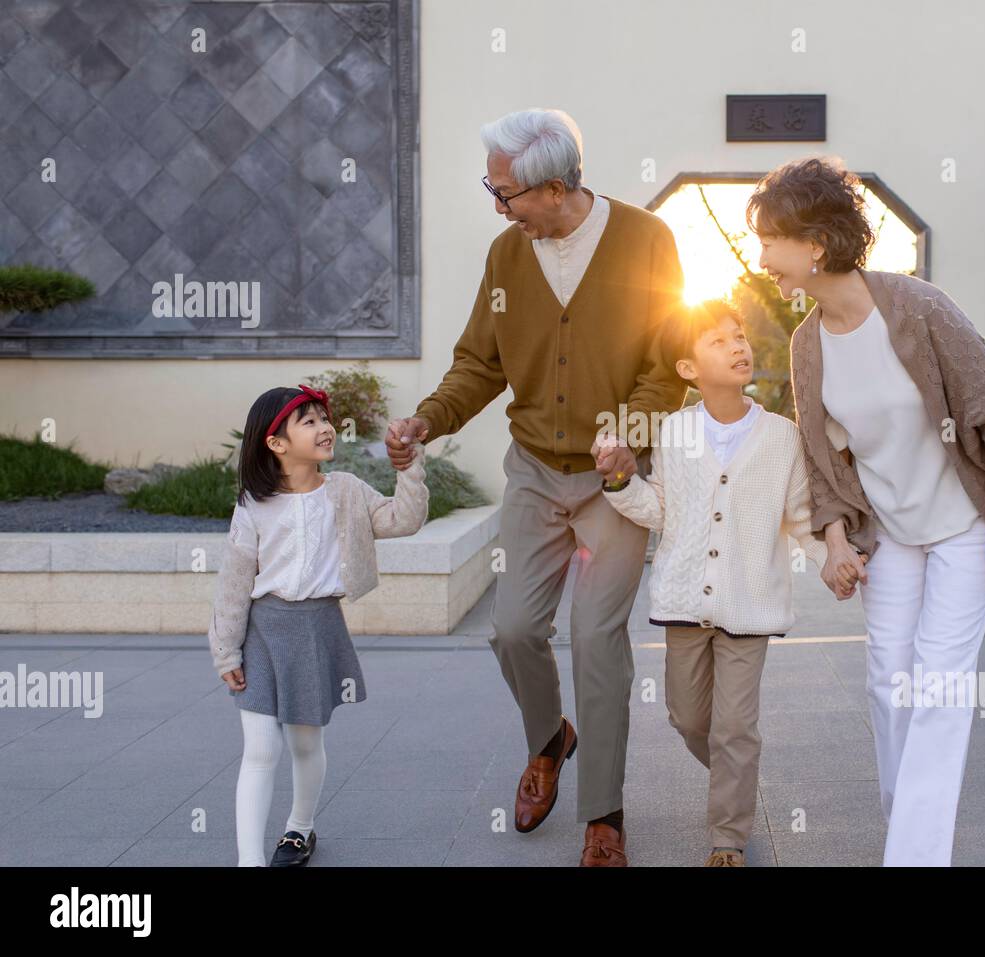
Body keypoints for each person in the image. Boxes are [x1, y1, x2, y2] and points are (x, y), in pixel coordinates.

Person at [383, 108, 687, 866]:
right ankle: (550, 737)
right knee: (513, 628)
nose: (498, 206)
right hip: (533, 470)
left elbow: (669, 362)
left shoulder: (648, 240)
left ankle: (604, 813)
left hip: (613, 480)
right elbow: (480, 362)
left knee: (596, 637)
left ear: (555, 187)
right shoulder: (507, 256)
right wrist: (428, 419)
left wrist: (630, 433)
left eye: (506, 192)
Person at [754, 157, 985, 866]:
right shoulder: (807, 343)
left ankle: (914, 857)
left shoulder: (918, 309)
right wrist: (833, 539)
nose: (762, 260)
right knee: (889, 682)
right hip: (893, 533)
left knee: (939, 685)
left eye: (770, 241)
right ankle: (910, 831)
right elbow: (823, 460)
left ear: (815, 244)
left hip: (966, 525)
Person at [599, 299, 857, 866]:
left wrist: (829, 560)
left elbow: (796, 514)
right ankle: (733, 774)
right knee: (689, 718)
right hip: (684, 599)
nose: (737, 347)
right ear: (688, 369)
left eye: (738, 336)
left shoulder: (781, 436)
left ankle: (728, 839)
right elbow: (660, 509)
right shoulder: (673, 431)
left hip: (750, 604)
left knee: (736, 726)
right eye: (717, 341)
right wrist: (620, 480)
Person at [208, 384, 429, 866]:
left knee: (306, 741)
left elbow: (404, 520)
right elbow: (233, 581)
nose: (325, 427)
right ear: (276, 443)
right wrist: (225, 650)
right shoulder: (253, 504)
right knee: (262, 749)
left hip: (317, 627)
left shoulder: (346, 490)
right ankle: (249, 862)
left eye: (324, 419)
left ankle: (299, 829)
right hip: (262, 633)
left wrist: (410, 469)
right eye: (308, 421)